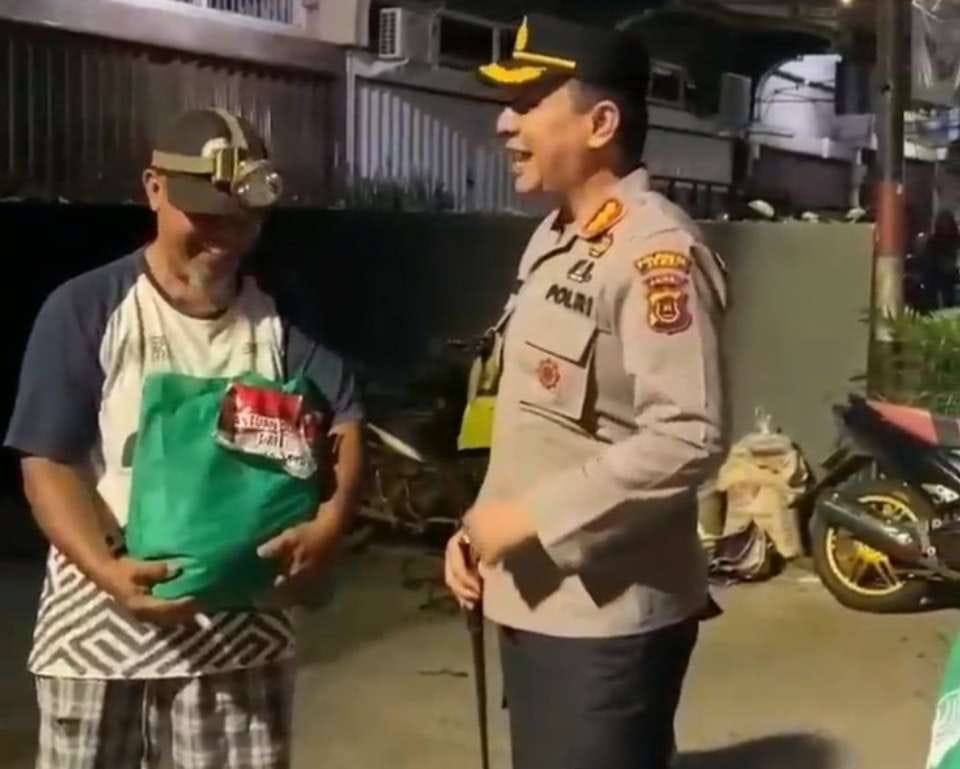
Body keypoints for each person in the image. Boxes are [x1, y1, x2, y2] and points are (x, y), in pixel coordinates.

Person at [4, 108, 364, 769]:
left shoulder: (281, 315)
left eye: (242, 219)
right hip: (98, 633)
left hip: (241, 639)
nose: (224, 236)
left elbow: (343, 418)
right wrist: (108, 572)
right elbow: (47, 463)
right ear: (154, 188)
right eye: (205, 215)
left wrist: (330, 522)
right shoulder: (88, 307)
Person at [443, 15, 727, 769]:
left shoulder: (656, 252)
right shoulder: (556, 237)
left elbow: (688, 435)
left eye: (529, 102)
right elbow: (543, 423)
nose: (505, 123)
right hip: (536, 601)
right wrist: (477, 530)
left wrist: (528, 519)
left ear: (601, 123)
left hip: (605, 622)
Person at [921, 210, 960, 311]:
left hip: (949, 284)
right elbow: (928, 267)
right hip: (938, 283)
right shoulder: (933, 243)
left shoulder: (955, 241)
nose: (946, 229)